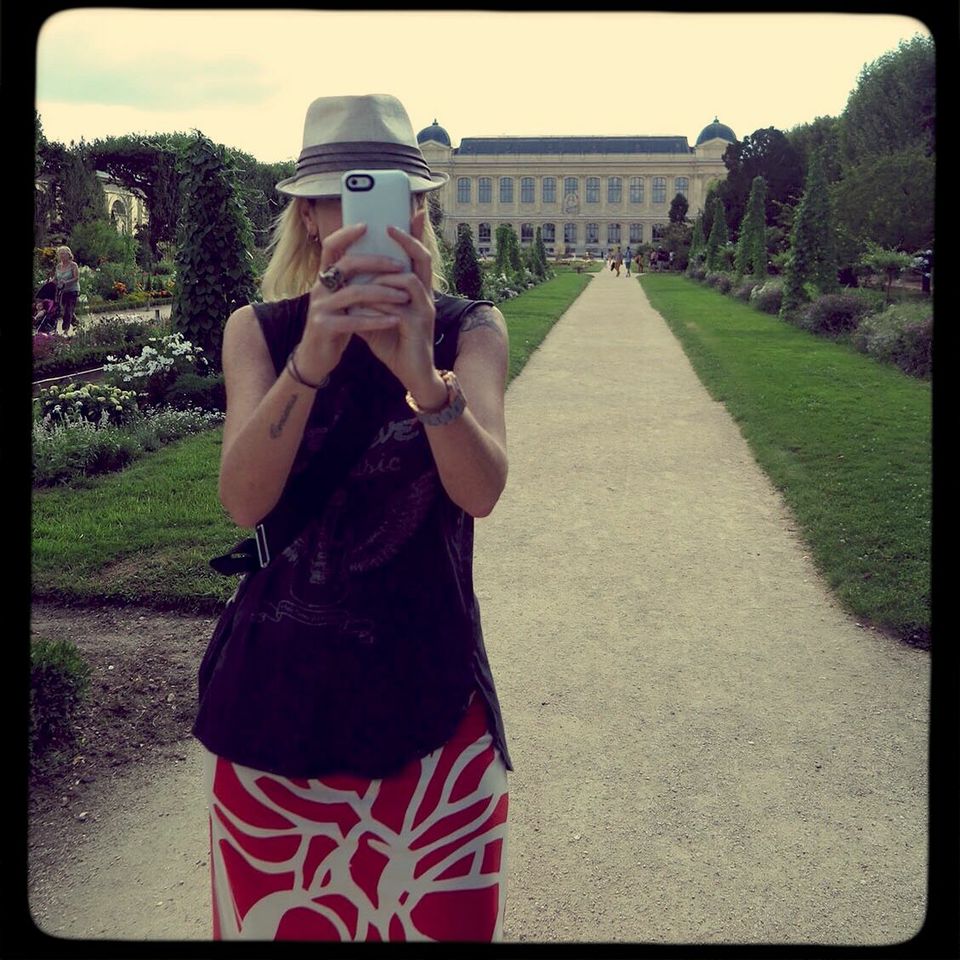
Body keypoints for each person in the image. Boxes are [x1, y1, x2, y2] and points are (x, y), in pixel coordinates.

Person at [192, 93, 513, 942]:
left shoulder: (468, 331)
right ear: (308, 216)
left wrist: (424, 381)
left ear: (418, 211)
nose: (361, 217)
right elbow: (244, 501)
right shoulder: (260, 333)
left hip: (431, 714)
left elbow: (481, 491)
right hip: (276, 716)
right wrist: (312, 361)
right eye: (339, 196)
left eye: (384, 195)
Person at [54, 246, 80, 335]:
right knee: (65, 310)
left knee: (68, 310)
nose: (61, 256)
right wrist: (51, 282)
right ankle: (76, 323)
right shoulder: (58, 266)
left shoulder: (73, 265)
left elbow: (76, 278)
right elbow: (56, 278)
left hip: (73, 290)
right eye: (60, 254)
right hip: (62, 291)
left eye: (63, 254)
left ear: (68, 255)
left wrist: (66, 282)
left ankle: (65, 330)